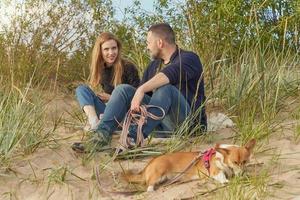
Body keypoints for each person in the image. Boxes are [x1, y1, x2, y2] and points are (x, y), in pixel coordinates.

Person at [72, 23, 207, 153]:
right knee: (122, 89)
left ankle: (132, 139)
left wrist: (140, 90)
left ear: (160, 43)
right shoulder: (153, 66)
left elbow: (170, 74)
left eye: (148, 42)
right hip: (158, 126)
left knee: (165, 88)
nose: (147, 47)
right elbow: (141, 101)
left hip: (186, 125)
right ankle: (99, 138)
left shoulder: (189, 58)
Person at [75, 32, 140, 131]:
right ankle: (94, 122)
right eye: (106, 49)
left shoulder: (128, 67)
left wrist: (111, 98)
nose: (111, 52)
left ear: (118, 49)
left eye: (114, 48)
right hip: (108, 111)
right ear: (100, 51)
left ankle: (105, 125)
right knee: (81, 89)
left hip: (125, 116)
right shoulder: (101, 70)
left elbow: (137, 99)